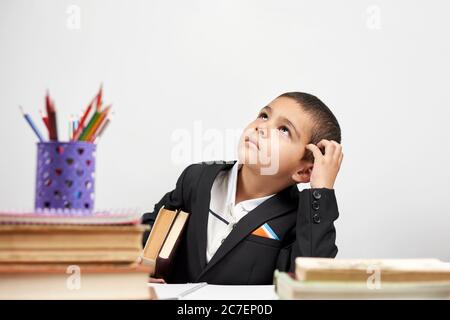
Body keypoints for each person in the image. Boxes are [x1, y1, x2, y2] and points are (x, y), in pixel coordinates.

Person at [142, 92, 343, 285]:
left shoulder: (300, 220)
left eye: (284, 130)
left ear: (303, 171)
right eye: (264, 116)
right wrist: (135, 270)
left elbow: (309, 281)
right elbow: (148, 234)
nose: (262, 128)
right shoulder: (196, 179)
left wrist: (322, 192)